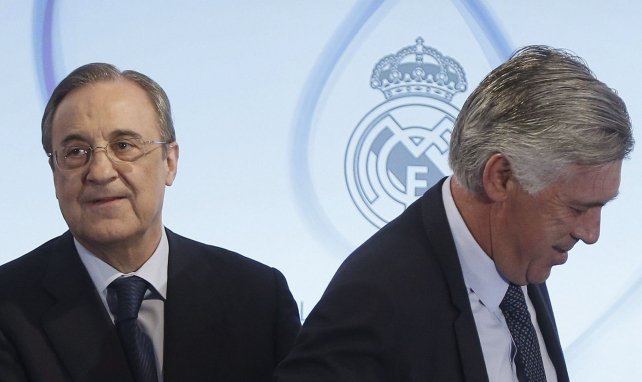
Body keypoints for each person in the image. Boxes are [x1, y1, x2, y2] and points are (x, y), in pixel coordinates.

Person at [275, 46, 634, 381]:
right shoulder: (375, 302)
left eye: (601, 207)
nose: (591, 233)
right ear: (501, 178)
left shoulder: (517, 253)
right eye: (576, 208)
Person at [0, 63, 301, 382]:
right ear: (54, 174)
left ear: (170, 162)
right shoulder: (8, 307)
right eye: (76, 152)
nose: (101, 172)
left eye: (124, 146)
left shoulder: (258, 297)